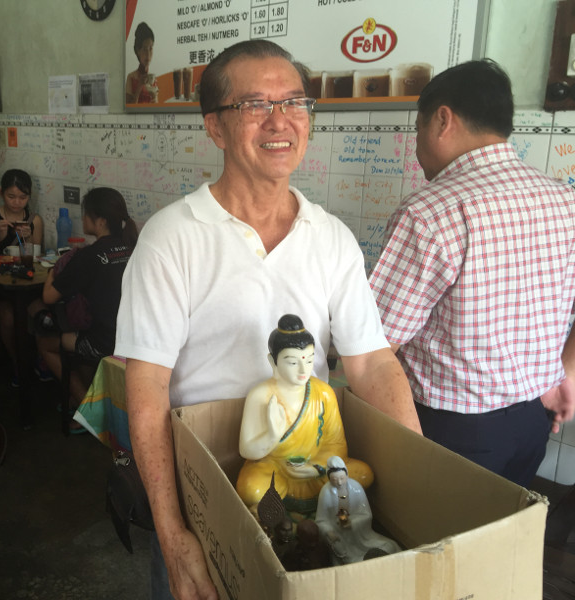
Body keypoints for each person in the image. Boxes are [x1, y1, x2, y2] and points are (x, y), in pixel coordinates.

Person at [114, 39, 419, 600]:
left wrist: (419, 489)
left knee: (299, 567)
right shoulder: (171, 239)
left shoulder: (331, 238)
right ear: (214, 126)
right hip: (204, 488)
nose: (281, 121)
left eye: (295, 102)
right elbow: (147, 384)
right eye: (255, 105)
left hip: (301, 476)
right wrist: (173, 533)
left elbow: (372, 363)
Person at [369, 59, 575, 488]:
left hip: (453, 432)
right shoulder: (564, 201)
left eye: (418, 129)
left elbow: (373, 343)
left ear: (442, 120)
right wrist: (564, 374)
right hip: (533, 424)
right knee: (497, 540)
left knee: (438, 545)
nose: (417, 146)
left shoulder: (430, 212)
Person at [236, 315, 373, 517]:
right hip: (276, 469)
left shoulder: (324, 393)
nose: (303, 370)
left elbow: (336, 445)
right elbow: (247, 451)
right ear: (273, 362)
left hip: (316, 471)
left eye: (309, 360)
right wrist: (272, 435)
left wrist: (317, 468)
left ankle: (294, 509)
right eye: (292, 363)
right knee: (251, 489)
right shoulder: (260, 395)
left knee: (363, 473)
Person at [38, 187, 137, 414]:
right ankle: (87, 399)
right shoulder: (133, 247)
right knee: (80, 338)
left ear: (100, 221)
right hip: (135, 338)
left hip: (107, 343)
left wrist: (56, 268)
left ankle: (90, 413)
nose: (82, 219)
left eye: (85, 214)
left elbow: (49, 296)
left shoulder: (87, 256)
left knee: (47, 345)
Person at [0, 169, 43, 386]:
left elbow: (37, 256)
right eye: (11, 197)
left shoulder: (34, 220)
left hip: (26, 281)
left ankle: (37, 361)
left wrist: (30, 237)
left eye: (23, 198)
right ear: (1, 193)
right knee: (7, 316)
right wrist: (0, 238)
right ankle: (18, 364)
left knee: (40, 310)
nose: (17, 203)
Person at [314, 456, 401, 565]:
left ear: (347, 474)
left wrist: (353, 523)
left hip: (361, 535)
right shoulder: (326, 492)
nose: (339, 483)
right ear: (329, 478)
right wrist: (330, 532)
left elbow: (367, 514)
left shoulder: (356, 487)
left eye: (342, 478)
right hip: (340, 536)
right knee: (348, 560)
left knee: (390, 546)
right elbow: (321, 520)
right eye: (335, 480)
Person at [125, 22, 158, 104]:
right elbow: (128, 108)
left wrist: (155, 98)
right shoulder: (131, 77)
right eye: (144, 49)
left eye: (150, 48)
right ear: (138, 51)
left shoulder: (153, 79)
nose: (148, 54)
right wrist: (139, 86)